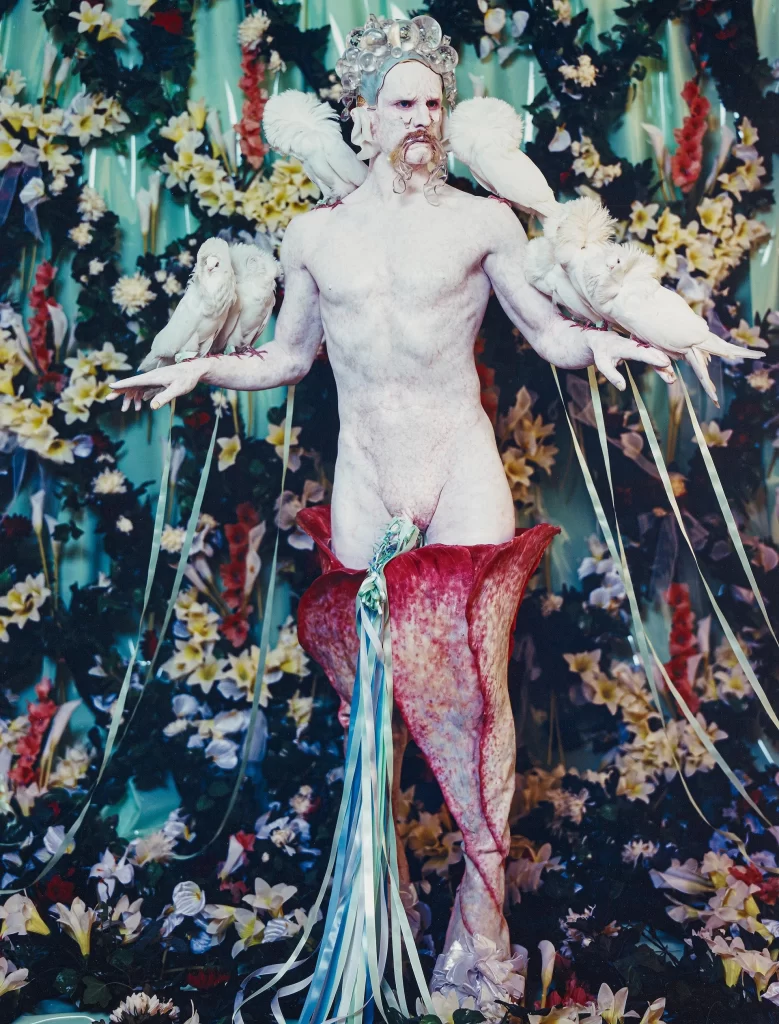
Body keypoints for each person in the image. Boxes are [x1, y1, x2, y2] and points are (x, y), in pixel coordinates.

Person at [110, 18, 673, 1006]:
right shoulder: (313, 236)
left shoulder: (482, 222)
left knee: (477, 694)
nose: (420, 118)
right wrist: (199, 368)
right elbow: (289, 358)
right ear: (361, 119)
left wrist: (606, 343)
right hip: (367, 475)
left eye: (432, 103)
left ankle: (480, 930)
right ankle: (379, 913)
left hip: (459, 466)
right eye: (401, 103)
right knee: (373, 705)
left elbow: (546, 334)